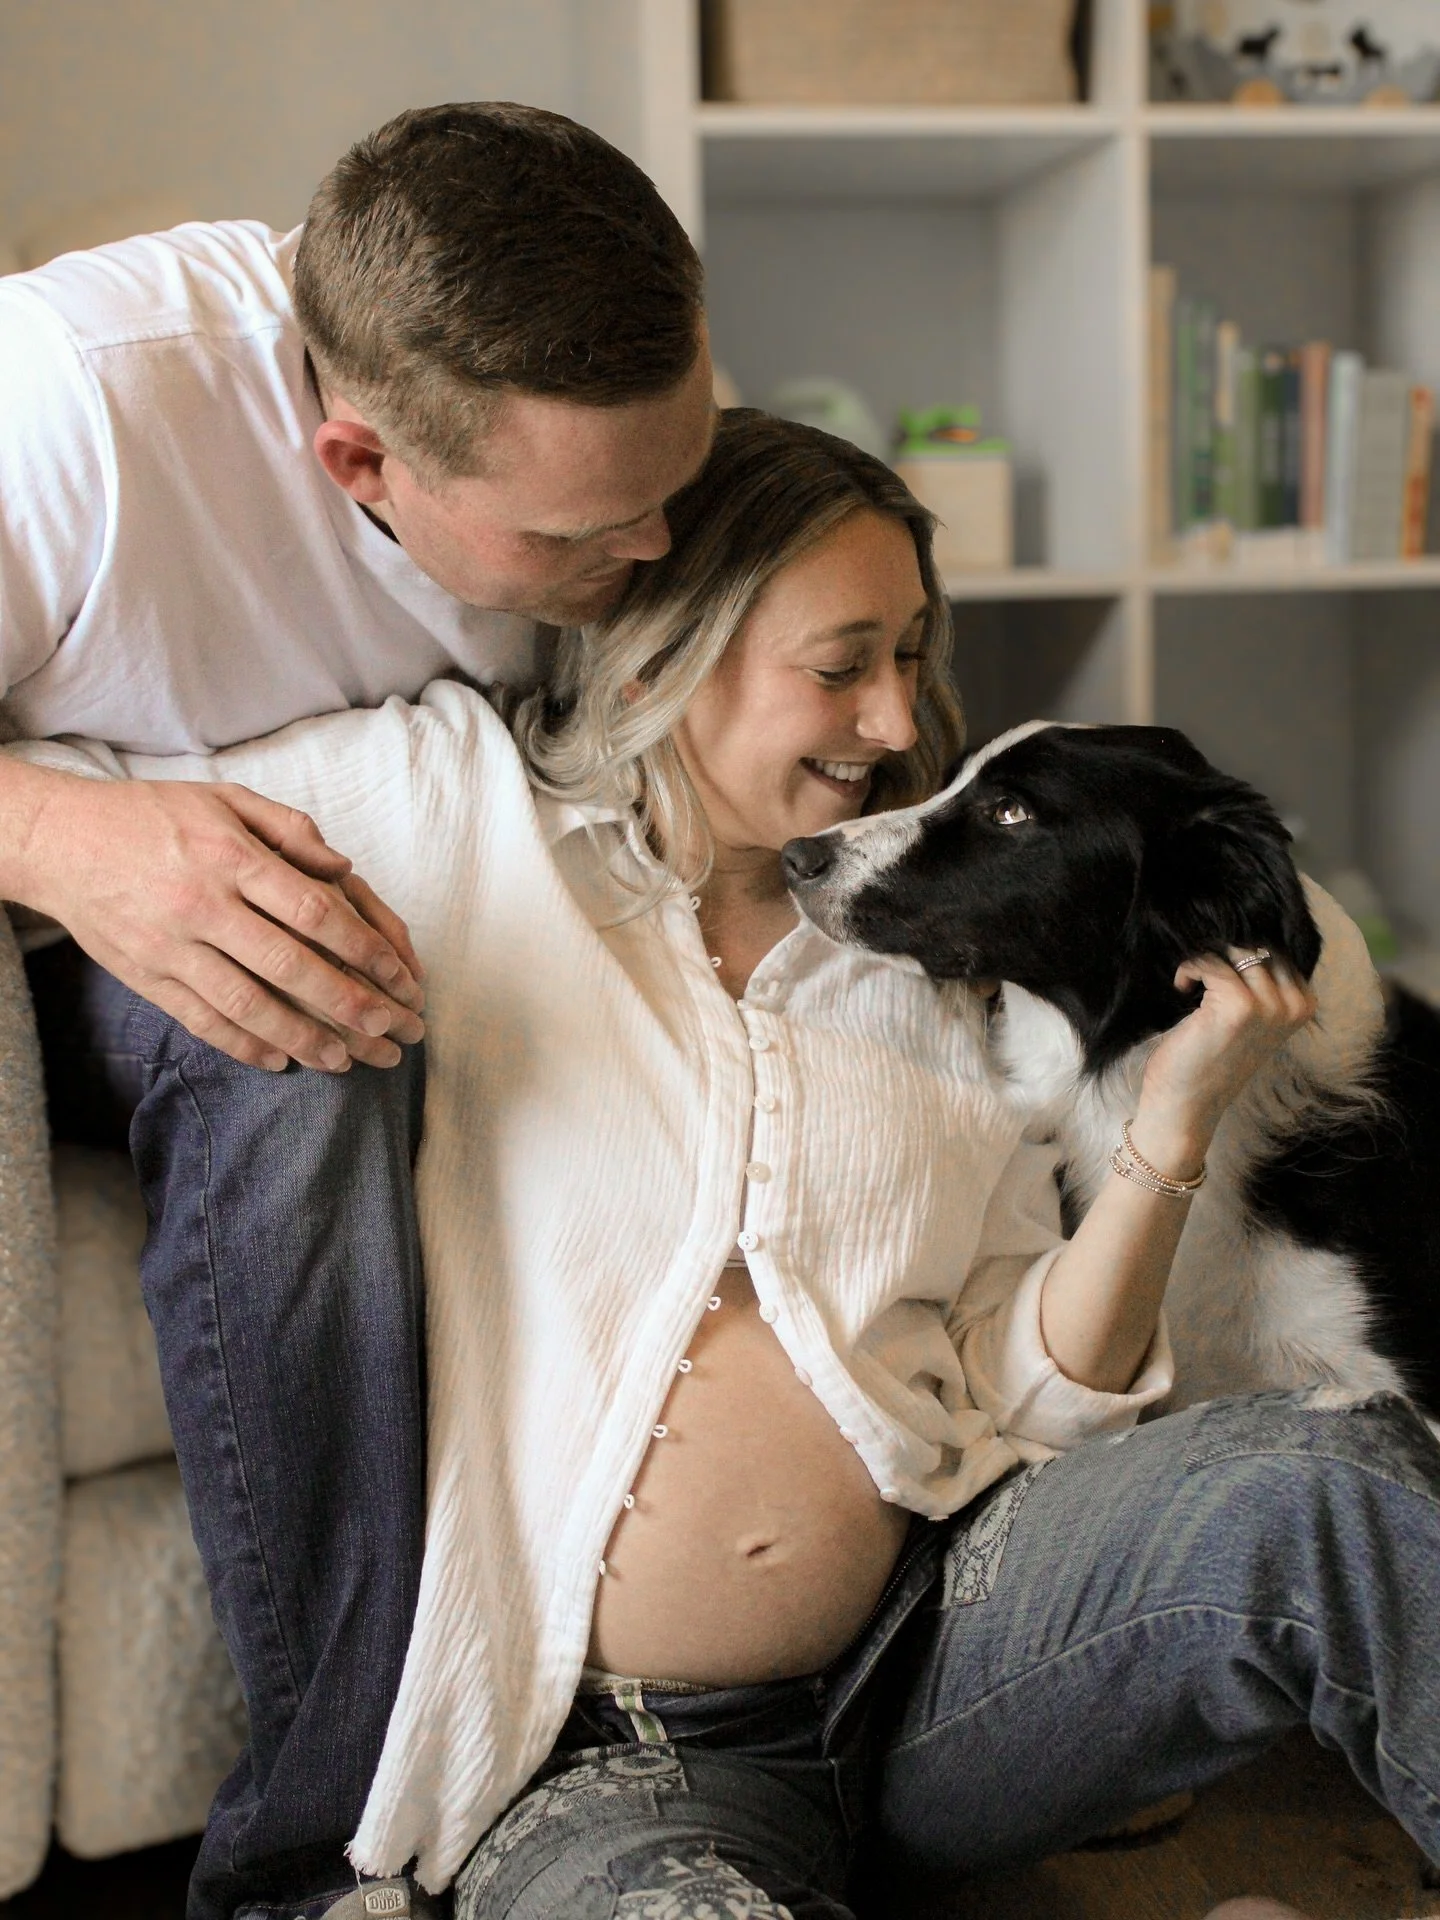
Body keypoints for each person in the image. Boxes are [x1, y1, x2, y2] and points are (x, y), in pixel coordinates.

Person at [22, 413, 1438, 1918]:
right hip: (621, 1762)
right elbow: (85, 806)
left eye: (912, 654)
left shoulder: (949, 974)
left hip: (940, 1665)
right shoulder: (451, 815)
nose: (896, 723)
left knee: (1334, 1474)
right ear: (664, 656)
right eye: (841, 665)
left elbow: (1027, 1386)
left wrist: (1175, 1124)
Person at [0, 102, 713, 1919]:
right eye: (585, 528)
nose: (652, 546)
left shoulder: (607, 447)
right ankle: (322, 1869)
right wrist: (71, 840)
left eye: (675, 483)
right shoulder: (83, 404)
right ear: (355, 456)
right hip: (107, 938)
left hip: (446, 902)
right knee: (300, 1040)